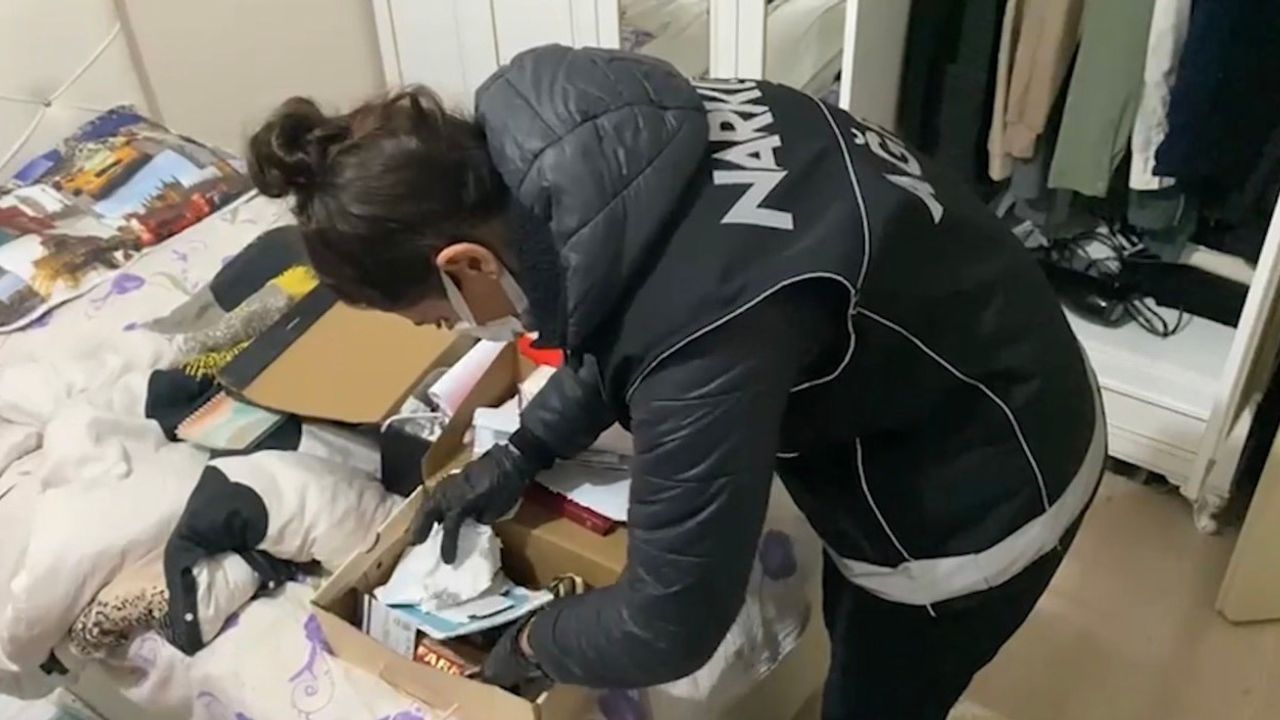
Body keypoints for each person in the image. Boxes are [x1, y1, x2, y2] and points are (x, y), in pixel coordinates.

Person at [249, 44, 1103, 720]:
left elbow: (670, 624)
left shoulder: (704, 334)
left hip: (988, 480)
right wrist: (522, 452)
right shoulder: (624, 143)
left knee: (877, 691)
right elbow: (617, 315)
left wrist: (538, 641)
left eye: (438, 318)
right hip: (991, 335)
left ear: (466, 265)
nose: (451, 332)